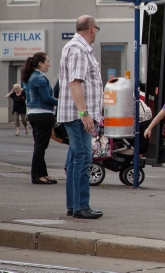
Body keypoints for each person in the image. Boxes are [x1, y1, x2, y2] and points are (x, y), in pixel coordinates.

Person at [57, 16, 103, 219]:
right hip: (78, 115)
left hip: (75, 113)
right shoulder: (78, 49)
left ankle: (74, 204)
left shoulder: (75, 47)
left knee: (76, 159)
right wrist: (85, 114)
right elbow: (76, 83)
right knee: (83, 158)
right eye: (97, 29)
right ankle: (80, 206)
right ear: (92, 29)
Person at [24, 53, 58, 184]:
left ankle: (43, 173)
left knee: (39, 145)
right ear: (40, 63)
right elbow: (47, 98)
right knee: (40, 146)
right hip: (43, 115)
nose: (49, 64)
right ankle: (37, 175)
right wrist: (65, 104)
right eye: (47, 61)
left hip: (33, 114)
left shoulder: (30, 77)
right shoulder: (39, 78)